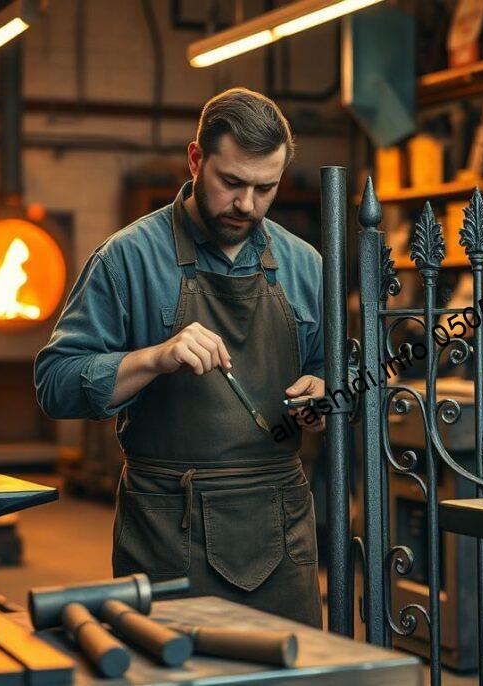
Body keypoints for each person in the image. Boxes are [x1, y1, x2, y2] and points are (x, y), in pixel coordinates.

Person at [34, 87, 325, 627]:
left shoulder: (304, 264)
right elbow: (54, 382)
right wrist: (153, 359)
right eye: (232, 182)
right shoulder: (128, 258)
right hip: (169, 526)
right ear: (195, 160)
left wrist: (325, 393)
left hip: (279, 525)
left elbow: (336, 370)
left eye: (267, 188)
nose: (247, 205)